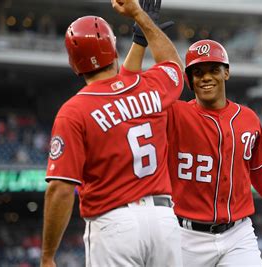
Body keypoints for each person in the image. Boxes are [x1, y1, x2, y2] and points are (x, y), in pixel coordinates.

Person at [122, 37, 262, 265]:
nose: (206, 77)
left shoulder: (248, 119)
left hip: (238, 234)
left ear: (226, 73)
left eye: (213, 69)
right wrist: (140, 40)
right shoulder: (175, 114)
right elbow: (128, 90)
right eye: (198, 72)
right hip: (185, 236)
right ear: (189, 80)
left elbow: (257, 170)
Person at [40, 0, 184, 266]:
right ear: (114, 50)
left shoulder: (74, 111)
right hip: (163, 220)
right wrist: (141, 17)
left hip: (114, 224)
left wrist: (48, 255)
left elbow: (60, 189)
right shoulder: (148, 86)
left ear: (74, 64)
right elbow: (173, 65)